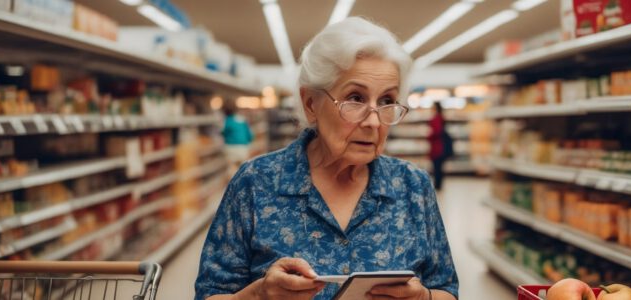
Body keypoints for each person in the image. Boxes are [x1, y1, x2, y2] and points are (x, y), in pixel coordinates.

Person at [195, 17, 458, 300]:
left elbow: (446, 289)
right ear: (311, 104)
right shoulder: (255, 182)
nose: (373, 121)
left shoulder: (413, 186)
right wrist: (258, 295)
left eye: (386, 101)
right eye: (355, 98)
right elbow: (210, 294)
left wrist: (423, 298)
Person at [221, 99, 253, 176]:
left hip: (230, 148)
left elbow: (223, 132)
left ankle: (233, 185)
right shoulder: (242, 120)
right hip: (243, 148)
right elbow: (250, 136)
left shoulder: (227, 120)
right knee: (243, 170)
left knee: (231, 169)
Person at [427, 102, 454, 190]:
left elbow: (436, 132)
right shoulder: (441, 117)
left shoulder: (436, 118)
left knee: (437, 167)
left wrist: (429, 136)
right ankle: (438, 185)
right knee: (439, 167)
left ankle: (437, 185)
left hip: (437, 147)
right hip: (441, 146)